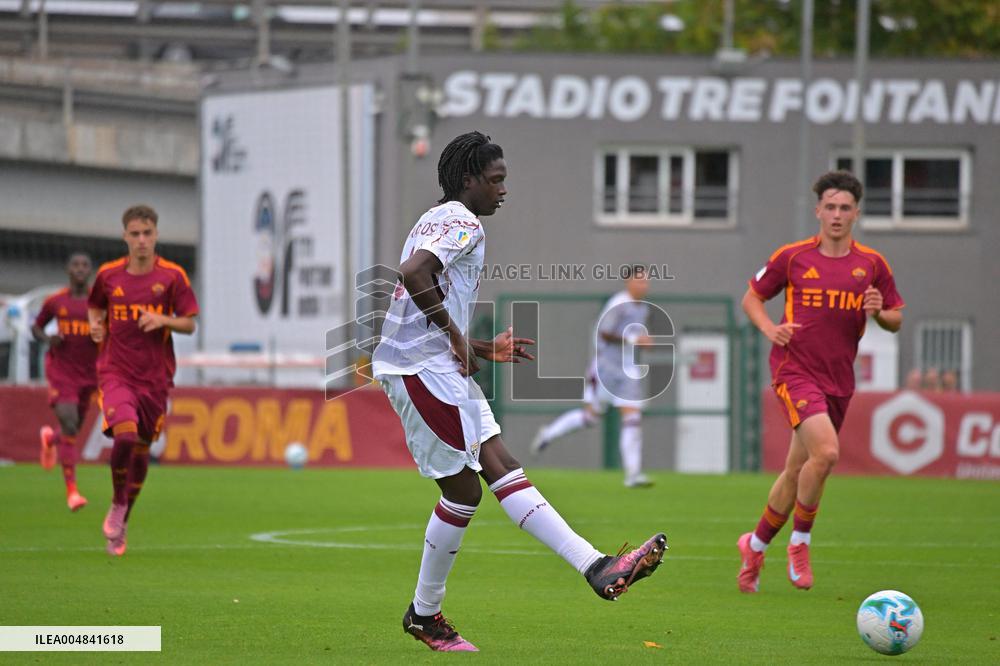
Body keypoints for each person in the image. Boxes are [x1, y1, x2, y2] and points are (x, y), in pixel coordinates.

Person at [371, 132, 667, 652]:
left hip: (435, 362)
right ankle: (425, 613)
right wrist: (460, 339)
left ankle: (595, 567)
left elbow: (423, 293)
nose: (503, 190)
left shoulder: (433, 217)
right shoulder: (462, 222)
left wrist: (477, 346)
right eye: (495, 179)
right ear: (468, 180)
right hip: (421, 369)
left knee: (497, 467)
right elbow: (414, 273)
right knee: (463, 491)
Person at [737, 170, 904, 593]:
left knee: (797, 471)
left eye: (844, 208)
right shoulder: (793, 257)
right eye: (829, 206)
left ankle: (754, 546)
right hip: (795, 371)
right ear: (817, 211)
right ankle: (800, 542)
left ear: (856, 214)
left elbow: (896, 319)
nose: (836, 214)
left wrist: (880, 311)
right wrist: (768, 330)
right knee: (827, 454)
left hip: (839, 380)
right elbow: (752, 297)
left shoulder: (871, 265)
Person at [88, 205, 199, 556]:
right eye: (134, 234)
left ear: (156, 235)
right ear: (125, 237)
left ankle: (123, 520)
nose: (141, 240)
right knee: (126, 433)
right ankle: (118, 502)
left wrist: (162, 319)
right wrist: (94, 324)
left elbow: (190, 322)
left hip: (155, 378)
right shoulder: (108, 275)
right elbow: (95, 306)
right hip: (115, 371)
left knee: (141, 450)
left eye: (147, 233)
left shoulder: (172, 276)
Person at [530, 270, 656, 487]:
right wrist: (635, 339)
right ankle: (548, 433)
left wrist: (641, 343)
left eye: (646, 281)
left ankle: (633, 474)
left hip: (627, 371)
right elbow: (604, 332)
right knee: (590, 418)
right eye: (639, 280)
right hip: (605, 369)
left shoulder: (642, 309)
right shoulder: (618, 304)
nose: (644, 285)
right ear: (628, 282)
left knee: (632, 418)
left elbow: (629, 341)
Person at [32, 252, 98, 511]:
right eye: (75, 265)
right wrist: (49, 340)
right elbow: (35, 327)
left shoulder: (99, 303)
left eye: (85, 265)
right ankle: (72, 492)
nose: (80, 269)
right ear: (68, 270)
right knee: (70, 425)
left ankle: (50, 440)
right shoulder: (56, 301)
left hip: (90, 374)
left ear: (90, 271)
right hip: (62, 371)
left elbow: (114, 331)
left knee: (73, 428)